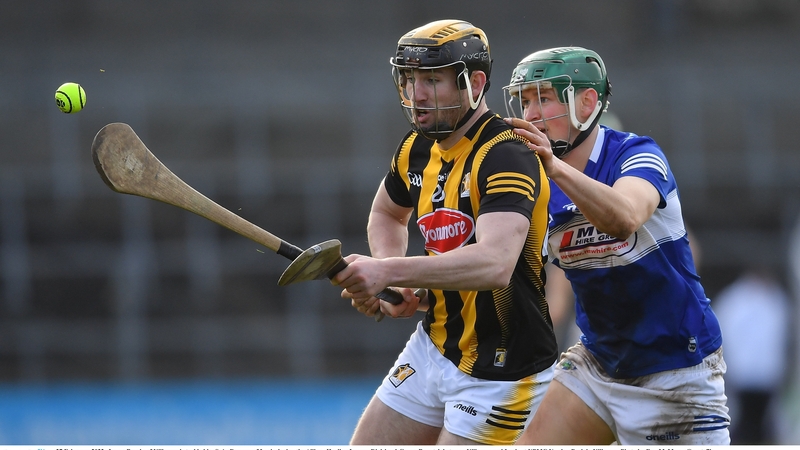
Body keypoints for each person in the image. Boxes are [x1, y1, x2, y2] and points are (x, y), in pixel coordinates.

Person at [330, 19, 558, 445]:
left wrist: (388, 271)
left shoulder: (506, 154)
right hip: (433, 346)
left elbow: (495, 264)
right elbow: (386, 213)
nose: (415, 93)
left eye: (432, 81)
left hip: (504, 369)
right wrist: (392, 277)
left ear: (474, 84)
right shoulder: (416, 147)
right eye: (409, 78)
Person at [503, 47, 730, 445]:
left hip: (675, 369)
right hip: (598, 363)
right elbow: (500, 267)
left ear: (587, 103)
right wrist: (420, 292)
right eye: (524, 101)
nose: (531, 114)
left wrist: (556, 169)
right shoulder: (534, 182)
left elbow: (624, 218)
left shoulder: (638, 155)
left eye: (543, 98)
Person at [713, 267, 791, 444]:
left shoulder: (773, 298)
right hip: (747, 372)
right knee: (746, 421)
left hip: (761, 373)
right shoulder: (736, 299)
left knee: (758, 422)